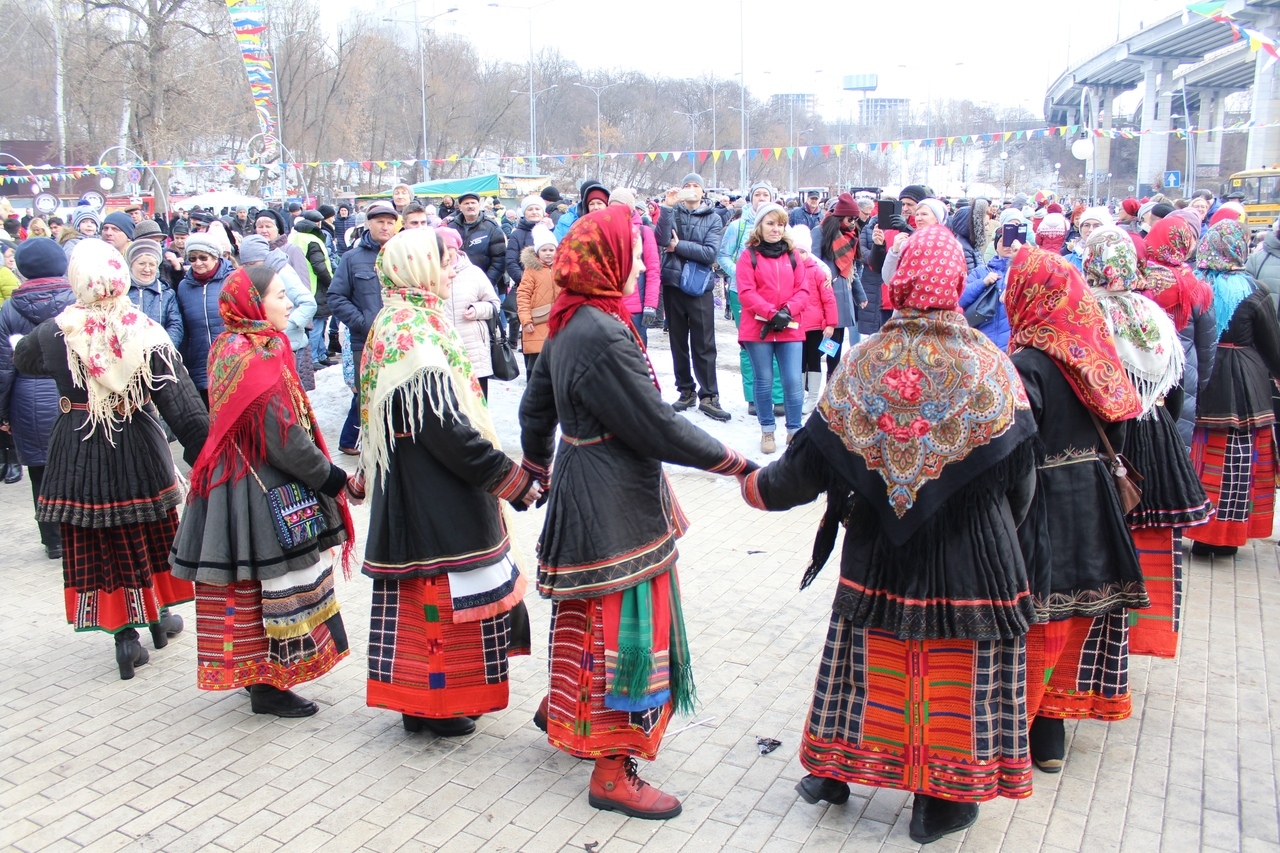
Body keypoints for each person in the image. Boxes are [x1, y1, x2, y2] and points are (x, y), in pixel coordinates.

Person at [739, 224, 1038, 845]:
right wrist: (1002, 531)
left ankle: (832, 775)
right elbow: (1021, 479)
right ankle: (939, 803)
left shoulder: (865, 361)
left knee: (863, 661)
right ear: (956, 282)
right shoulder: (990, 365)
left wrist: (754, 485)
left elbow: (806, 469)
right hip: (973, 555)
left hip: (877, 551)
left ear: (898, 280)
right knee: (957, 670)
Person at [520, 207, 754, 819]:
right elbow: (657, 426)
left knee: (587, 613)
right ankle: (612, 770)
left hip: (583, 484)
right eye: (636, 252)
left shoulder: (571, 318)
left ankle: (567, 710)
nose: (646, 261)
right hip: (615, 504)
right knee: (628, 631)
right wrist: (735, 464)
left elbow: (535, 407)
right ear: (610, 264)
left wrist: (539, 465)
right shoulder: (599, 329)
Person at [358, 226, 539, 735]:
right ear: (415, 267)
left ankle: (416, 705)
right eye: (441, 262)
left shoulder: (397, 320)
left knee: (419, 593)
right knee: (442, 596)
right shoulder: (414, 334)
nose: (449, 270)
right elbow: (445, 430)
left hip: (409, 487)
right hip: (436, 492)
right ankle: (437, 706)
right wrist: (509, 478)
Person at [14, 240, 208, 679]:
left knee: (99, 541)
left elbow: (23, 359)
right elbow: (184, 409)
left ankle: (124, 637)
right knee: (144, 532)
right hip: (136, 445)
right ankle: (157, 617)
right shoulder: (145, 331)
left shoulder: (55, 331)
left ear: (77, 281)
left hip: (76, 445)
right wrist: (210, 460)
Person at [170, 265, 356, 716]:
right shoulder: (255, 356)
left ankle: (257, 678)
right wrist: (332, 478)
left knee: (247, 583)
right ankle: (269, 686)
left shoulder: (230, 345)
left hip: (231, 482)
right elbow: (282, 437)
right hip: (259, 485)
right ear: (254, 303)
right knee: (272, 581)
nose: (289, 302)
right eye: (278, 295)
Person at [1003, 244, 1150, 775]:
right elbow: (1122, 423)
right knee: (1075, 612)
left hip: (1040, 499)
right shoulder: (1093, 349)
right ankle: (1051, 732)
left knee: (1035, 616)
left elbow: (1014, 443)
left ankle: (1018, 727)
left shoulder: (1025, 364)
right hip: (1092, 495)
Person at [1083, 226, 1209, 663]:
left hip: (1105, 438)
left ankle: (1099, 644)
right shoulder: (1151, 314)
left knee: (1102, 539)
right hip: (1153, 433)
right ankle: (1145, 637)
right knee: (1152, 538)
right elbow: (1174, 389)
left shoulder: (1086, 315)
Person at [1188, 219, 1280, 557]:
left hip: (1199, 377)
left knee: (1197, 455)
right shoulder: (1254, 291)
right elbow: (1271, 345)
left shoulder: (1193, 285)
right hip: (1243, 385)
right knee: (1236, 461)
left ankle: (1193, 526)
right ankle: (1225, 536)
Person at [0, 238, 77, 558]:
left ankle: (53, 539)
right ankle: (80, 532)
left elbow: (5, 367)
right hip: (75, 393)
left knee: (40, 471)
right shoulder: (78, 299)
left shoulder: (8, 309)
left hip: (28, 396)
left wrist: (3, 412)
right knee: (78, 465)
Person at [735, 203, 813, 453]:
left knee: (792, 380)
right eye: (770, 223)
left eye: (780, 224)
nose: (776, 229)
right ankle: (767, 430)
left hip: (789, 324)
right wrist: (770, 313)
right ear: (759, 226)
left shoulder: (791, 254)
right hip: (759, 326)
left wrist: (787, 311)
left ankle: (794, 431)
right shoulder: (749, 256)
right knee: (765, 379)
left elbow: (804, 289)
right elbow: (746, 292)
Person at [327, 201, 401, 454]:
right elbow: (336, 297)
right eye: (380, 221)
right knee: (367, 395)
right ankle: (363, 444)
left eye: (390, 222)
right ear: (368, 224)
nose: (385, 226)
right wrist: (362, 323)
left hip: (401, 339)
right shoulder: (352, 258)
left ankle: (394, 444)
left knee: (397, 393)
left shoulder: (403, 256)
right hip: (365, 340)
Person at [657, 173, 729, 421]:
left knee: (704, 342)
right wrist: (667, 206)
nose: (690, 190)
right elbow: (661, 239)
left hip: (700, 286)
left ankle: (709, 395)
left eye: (695, 186)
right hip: (673, 283)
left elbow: (710, 253)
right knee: (678, 341)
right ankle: (685, 390)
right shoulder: (673, 213)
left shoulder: (713, 218)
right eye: (686, 186)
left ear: (703, 191)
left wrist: (678, 247)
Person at [1142, 213, 1216, 447]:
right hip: (1183, 372)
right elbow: (1206, 345)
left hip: (1141, 371)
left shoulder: (1136, 280)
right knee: (1176, 445)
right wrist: (1200, 382)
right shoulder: (1195, 288)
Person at [719, 181, 784, 417]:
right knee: (749, 345)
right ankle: (753, 397)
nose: (762, 197)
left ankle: (777, 397)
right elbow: (723, 256)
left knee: (777, 344)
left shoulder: (780, 226)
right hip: (742, 294)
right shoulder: (738, 226)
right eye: (758, 194)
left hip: (773, 295)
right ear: (751, 198)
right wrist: (742, 274)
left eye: (766, 193)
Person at [239, 235, 318, 390]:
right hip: (272, 342)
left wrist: (288, 325)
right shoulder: (263, 273)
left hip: (290, 343)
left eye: (253, 263)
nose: (250, 268)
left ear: (264, 258)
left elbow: (308, 302)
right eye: (246, 265)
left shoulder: (281, 272)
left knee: (291, 391)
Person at [438, 228, 501, 397]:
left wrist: (477, 309)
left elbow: (494, 304)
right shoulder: (431, 274)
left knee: (478, 402)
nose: (445, 253)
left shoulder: (474, 273)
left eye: (449, 248)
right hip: (443, 348)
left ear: (456, 248)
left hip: (473, 349)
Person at [175, 233, 236, 406]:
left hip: (231, 359)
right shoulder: (184, 286)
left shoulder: (232, 279)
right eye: (192, 259)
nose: (197, 263)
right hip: (200, 363)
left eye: (203, 257)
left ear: (215, 256)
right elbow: (184, 327)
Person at [792, 224, 839, 415]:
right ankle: (801, 395)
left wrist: (831, 323)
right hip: (796, 325)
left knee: (814, 359)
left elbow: (829, 299)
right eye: (796, 251)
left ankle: (812, 397)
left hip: (814, 326)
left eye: (802, 252)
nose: (799, 255)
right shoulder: (791, 270)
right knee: (799, 360)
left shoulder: (818, 271)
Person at [811, 192, 866, 351]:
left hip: (843, 296)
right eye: (850, 219)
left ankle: (832, 375)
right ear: (840, 217)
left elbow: (851, 268)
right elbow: (814, 263)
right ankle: (815, 373)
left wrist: (859, 294)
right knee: (819, 346)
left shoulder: (851, 236)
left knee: (835, 345)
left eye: (855, 219)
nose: (853, 223)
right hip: (825, 295)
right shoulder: (820, 232)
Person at [612, 190, 661, 346]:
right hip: (610, 306)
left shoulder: (644, 232)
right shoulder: (604, 231)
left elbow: (653, 270)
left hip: (636, 309)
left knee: (636, 357)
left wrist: (650, 305)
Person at [958, 220, 1017, 349]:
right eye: (1002, 241)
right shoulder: (981, 271)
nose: (1007, 245)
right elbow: (960, 299)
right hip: (981, 343)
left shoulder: (1025, 272)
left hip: (1012, 344)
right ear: (995, 246)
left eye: (1012, 241)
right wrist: (982, 283)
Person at [289, 211, 333, 367]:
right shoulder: (313, 240)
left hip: (299, 284)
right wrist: (331, 282)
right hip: (316, 286)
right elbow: (319, 266)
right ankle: (315, 357)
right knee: (317, 323)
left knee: (312, 323)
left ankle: (320, 353)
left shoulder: (294, 237)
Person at [443, 192, 507, 295]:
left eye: (473, 203)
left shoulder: (492, 227)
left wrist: (486, 283)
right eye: (466, 203)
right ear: (460, 207)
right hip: (456, 285)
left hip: (485, 285)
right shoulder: (451, 227)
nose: (470, 206)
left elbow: (499, 260)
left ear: (479, 205)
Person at [124, 239, 183, 350]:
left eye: (152, 264)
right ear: (131, 265)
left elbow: (175, 325)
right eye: (141, 263)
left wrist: (164, 350)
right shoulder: (121, 292)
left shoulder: (166, 294)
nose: (147, 269)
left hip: (158, 356)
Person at [516, 225, 558, 374]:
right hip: (537, 322)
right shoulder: (531, 270)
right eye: (544, 250)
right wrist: (525, 320)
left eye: (551, 250)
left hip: (559, 322)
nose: (548, 253)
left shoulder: (562, 268)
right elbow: (523, 295)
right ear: (538, 252)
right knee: (536, 368)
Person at [505, 195, 546, 282]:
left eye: (537, 209)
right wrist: (525, 280)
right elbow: (511, 261)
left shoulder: (552, 231)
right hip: (526, 284)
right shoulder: (516, 234)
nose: (534, 212)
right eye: (530, 209)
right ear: (524, 213)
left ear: (543, 212)